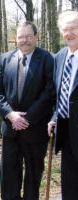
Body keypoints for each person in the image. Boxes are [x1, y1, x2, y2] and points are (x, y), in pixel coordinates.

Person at [0, 21, 55, 200]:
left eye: (28, 36)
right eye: (21, 36)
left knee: (33, 177)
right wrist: (11, 115)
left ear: (36, 37)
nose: (25, 40)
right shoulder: (5, 59)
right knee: (9, 176)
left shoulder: (47, 58)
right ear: (15, 39)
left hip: (35, 129)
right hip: (10, 130)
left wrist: (28, 118)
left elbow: (50, 91)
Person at [48, 11, 78, 200]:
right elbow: (60, 95)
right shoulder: (59, 57)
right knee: (69, 184)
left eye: (73, 28)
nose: (69, 33)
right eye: (65, 29)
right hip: (66, 129)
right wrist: (53, 118)